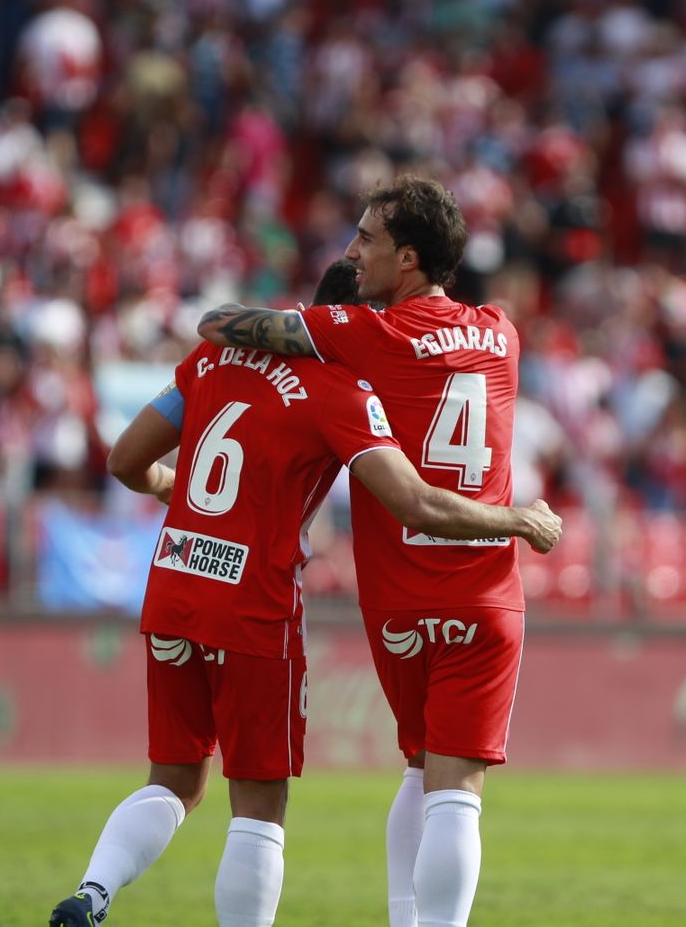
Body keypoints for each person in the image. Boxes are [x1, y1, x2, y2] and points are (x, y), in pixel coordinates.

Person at [49, 259, 562, 927]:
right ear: (356, 322)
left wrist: (172, 490)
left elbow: (124, 461)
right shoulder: (341, 388)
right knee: (258, 809)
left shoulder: (214, 358)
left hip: (175, 582)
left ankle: (93, 892)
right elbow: (410, 501)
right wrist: (518, 520)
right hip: (252, 602)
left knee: (175, 778)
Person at [198, 175, 524, 927]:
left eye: (367, 239)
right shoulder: (502, 331)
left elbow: (220, 324)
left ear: (407, 259)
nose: (352, 251)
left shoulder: (366, 334)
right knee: (456, 791)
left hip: (399, 596)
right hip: (483, 589)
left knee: (420, 769)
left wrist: (314, 317)